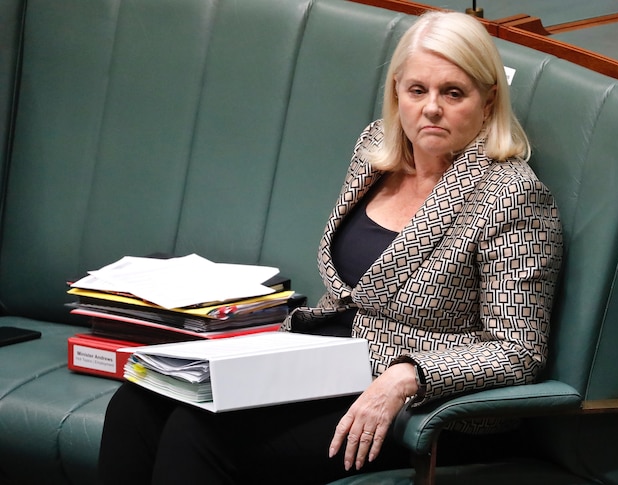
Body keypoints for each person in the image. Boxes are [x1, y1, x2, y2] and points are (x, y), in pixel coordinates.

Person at [98, 10, 563, 484]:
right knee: (139, 402)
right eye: (417, 90)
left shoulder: (511, 195)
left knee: (199, 434)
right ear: (397, 92)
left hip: (423, 409)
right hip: (325, 363)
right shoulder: (375, 149)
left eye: (454, 93)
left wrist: (408, 376)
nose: (431, 108)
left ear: (488, 103)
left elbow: (518, 349)